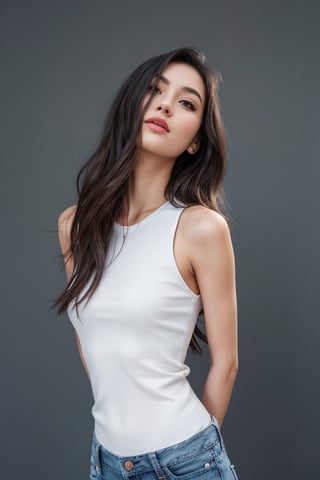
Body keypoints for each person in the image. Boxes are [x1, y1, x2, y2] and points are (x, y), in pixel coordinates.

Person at [54, 47, 239, 479]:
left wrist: (194, 454)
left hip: (184, 461)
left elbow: (226, 364)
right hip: (105, 460)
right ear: (133, 103)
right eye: (155, 90)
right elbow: (94, 347)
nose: (165, 105)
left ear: (195, 140)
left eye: (187, 102)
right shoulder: (75, 226)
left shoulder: (201, 229)